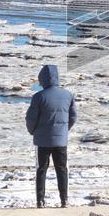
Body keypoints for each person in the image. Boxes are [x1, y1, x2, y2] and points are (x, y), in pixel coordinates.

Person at [25, 64, 78, 208]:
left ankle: (40, 201)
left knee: (41, 169)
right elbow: (73, 116)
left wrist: (32, 131)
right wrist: (63, 130)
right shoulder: (68, 95)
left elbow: (31, 119)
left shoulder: (38, 97)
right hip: (61, 140)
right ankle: (64, 200)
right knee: (62, 169)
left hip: (42, 141)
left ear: (42, 79)